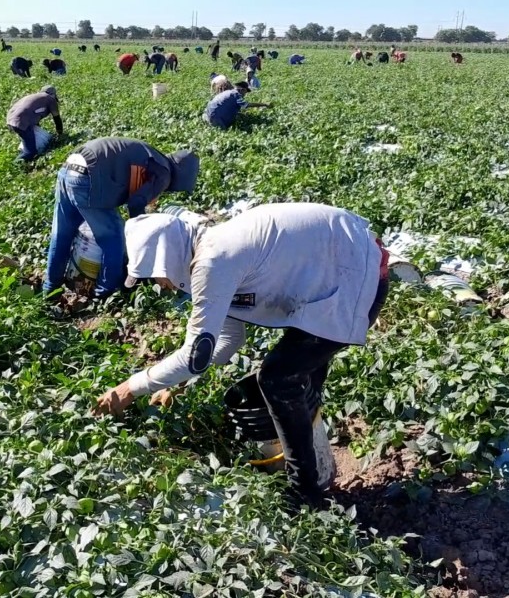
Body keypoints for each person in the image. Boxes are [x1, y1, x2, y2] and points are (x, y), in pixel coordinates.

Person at [92, 203, 390, 506]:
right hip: (346, 267)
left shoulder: (213, 261)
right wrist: (173, 382)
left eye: (153, 275)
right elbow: (227, 340)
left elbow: (195, 355)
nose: (159, 285)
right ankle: (319, 467)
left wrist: (130, 387)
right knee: (298, 375)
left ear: (164, 258)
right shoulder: (211, 251)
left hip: (357, 274)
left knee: (279, 380)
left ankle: (306, 493)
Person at [43, 138, 200, 300]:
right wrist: (139, 237)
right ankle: (105, 292)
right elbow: (136, 203)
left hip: (70, 167)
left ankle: (50, 287)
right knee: (114, 236)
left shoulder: (154, 158)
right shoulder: (164, 174)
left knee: (62, 233)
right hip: (88, 176)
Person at [6, 85, 63, 162]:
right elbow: (57, 118)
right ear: (53, 94)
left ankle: (24, 152)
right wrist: (60, 133)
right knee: (31, 152)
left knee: (29, 142)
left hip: (10, 119)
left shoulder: (36, 97)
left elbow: (32, 114)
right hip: (21, 121)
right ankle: (15, 164)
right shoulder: (50, 99)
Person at [203, 81, 271, 130]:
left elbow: (228, 107)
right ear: (242, 90)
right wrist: (264, 104)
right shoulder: (236, 95)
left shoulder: (228, 92)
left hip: (207, 114)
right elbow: (246, 105)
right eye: (245, 92)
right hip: (217, 119)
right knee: (225, 132)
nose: (245, 94)